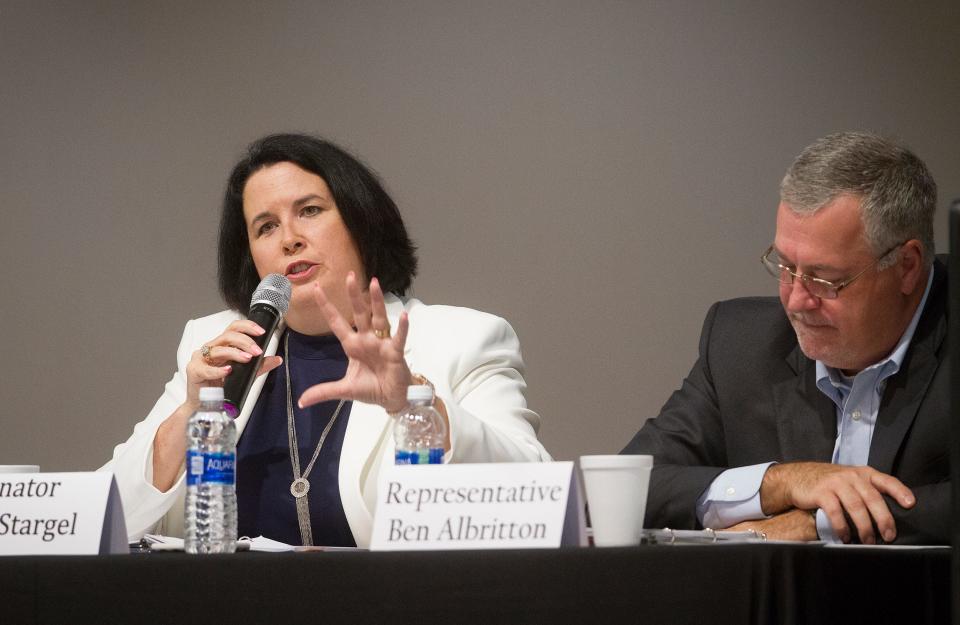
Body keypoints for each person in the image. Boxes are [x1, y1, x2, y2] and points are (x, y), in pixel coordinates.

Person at [101, 133, 550, 548]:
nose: (290, 240)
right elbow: (104, 517)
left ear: (360, 222)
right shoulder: (214, 346)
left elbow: (534, 492)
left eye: (310, 211)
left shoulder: (462, 338)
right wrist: (193, 412)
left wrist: (415, 403)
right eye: (265, 227)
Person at [622, 131, 948, 545]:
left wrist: (817, 523)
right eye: (786, 266)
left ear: (906, 267)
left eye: (825, 279)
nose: (796, 300)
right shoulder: (741, 344)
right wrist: (781, 482)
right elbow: (630, 486)